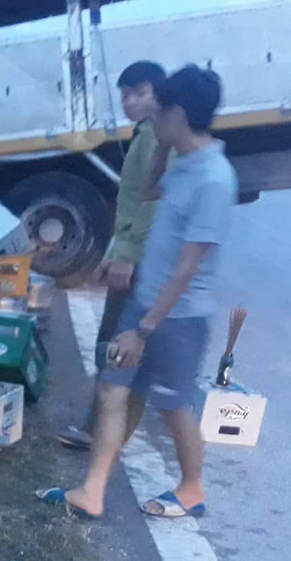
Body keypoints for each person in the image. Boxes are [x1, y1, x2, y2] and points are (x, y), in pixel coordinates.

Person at [37, 65, 237, 520]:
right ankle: (92, 491)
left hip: (177, 319)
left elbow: (188, 269)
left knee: (171, 406)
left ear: (178, 113)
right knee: (111, 389)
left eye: (159, 111)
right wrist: (163, 145)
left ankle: (191, 488)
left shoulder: (214, 179)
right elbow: (147, 190)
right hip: (145, 305)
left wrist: (144, 331)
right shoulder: (182, 162)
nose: (150, 119)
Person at [56, 60, 168, 450]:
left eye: (140, 93)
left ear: (159, 93)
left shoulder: (157, 137)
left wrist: (129, 255)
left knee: (121, 345)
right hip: (136, 252)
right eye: (125, 95)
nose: (130, 102)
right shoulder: (146, 134)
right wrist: (114, 250)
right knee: (117, 343)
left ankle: (103, 433)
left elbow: (152, 203)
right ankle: (102, 431)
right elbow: (131, 203)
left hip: (145, 259)